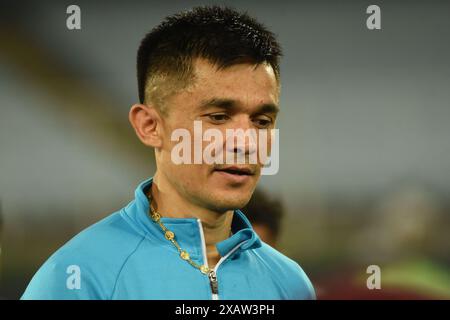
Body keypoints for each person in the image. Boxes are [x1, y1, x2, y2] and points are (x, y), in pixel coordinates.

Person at [21, 6, 315, 300]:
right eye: (218, 117)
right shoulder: (77, 277)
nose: (246, 142)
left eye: (262, 121)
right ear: (149, 126)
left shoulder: (290, 283)